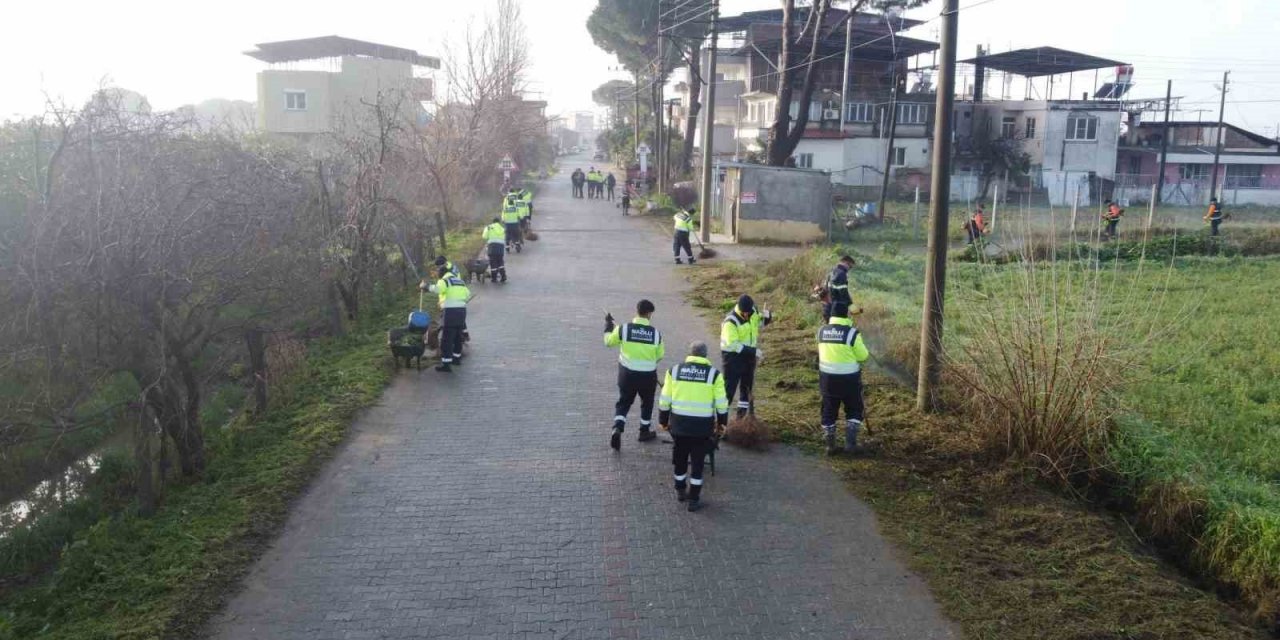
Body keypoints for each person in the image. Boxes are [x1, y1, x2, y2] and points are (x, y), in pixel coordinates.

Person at [658, 341, 729, 512]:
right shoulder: (714, 375)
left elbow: (665, 399)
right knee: (697, 463)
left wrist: (664, 420)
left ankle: (680, 490)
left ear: (689, 354)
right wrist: (722, 424)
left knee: (680, 458)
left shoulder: (674, 371)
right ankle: (694, 500)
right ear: (705, 356)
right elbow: (721, 403)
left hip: (679, 426)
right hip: (702, 428)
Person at [604, 299, 665, 449]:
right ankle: (644, 432)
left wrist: (608, 327)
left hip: (627, 374)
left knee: (624, 402)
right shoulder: (656, 334)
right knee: (647, 403)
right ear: (649, 314)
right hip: (648, 376)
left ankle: (617, 427)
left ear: (636, 311)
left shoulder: (623, 329)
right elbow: (660, 355)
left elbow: (608, 342)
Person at [817, 301, 870, 455]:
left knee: (828, 410)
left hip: (827, 381)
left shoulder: (821, 331)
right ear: (846, 315)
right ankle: (850, 444)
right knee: (854, 408)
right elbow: (864, 356)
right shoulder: (852, 333)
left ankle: (830, 445)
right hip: (849, 381)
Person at [720, 294, 772, 418]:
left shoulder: (753, 312)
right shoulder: (730, 321)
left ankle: (740, 419)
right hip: (732, 358)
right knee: (729, 389)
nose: (747, 315)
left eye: (748, 313)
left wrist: (767, 317)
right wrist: (753, 351)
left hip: (748, 357)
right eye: (745, 313)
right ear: (740, 309)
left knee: (746, 388)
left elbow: (758, 323)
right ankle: (721, 420)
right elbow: (733, 345)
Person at [423, 265, 470, 372]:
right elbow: (467, 294)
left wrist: (426, 287)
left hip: (450, 312)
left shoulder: (444, 280)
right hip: (462, 311)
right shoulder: (459, 281)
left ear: (442, 273)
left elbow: (438, 289)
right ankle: (456, 359)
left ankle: (446, 364)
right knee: (458, 335)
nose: (438, 275)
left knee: (447, 338)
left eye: (438, 272)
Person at [822, 255, 855, 320]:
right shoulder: (841, 274)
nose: (849, 269)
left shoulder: (831, 272)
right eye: (850, 267)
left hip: (827, 308)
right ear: (846, 263)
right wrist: (851, 305)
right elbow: (843, 292)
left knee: (829, 328)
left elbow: (826, 289)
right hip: (837, 310)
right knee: (838, 328)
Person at [482, 217, 508, 282]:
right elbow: (504, 237)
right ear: (499, 222)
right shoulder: (502, 228)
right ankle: (503, 276)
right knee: (500, 261)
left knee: (493, 262)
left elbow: (484, 236)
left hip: (492, 247)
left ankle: (494, 278)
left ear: (493, 222)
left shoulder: (489, 227)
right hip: (500, 247)